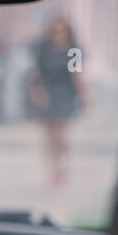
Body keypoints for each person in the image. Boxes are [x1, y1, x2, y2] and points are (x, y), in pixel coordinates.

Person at [29, 17, 89, 188]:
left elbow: (77, 75)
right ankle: (51, 171)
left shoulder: (73, 50)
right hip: (46, 93)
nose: (58, 34)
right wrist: (38, 95)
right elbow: (36, 75)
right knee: (48, 137)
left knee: (62, 136)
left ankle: (63, 169)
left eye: (62, 31)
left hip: (66, 94)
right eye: (55, 31)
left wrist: (85, 96)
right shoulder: (42, 49)